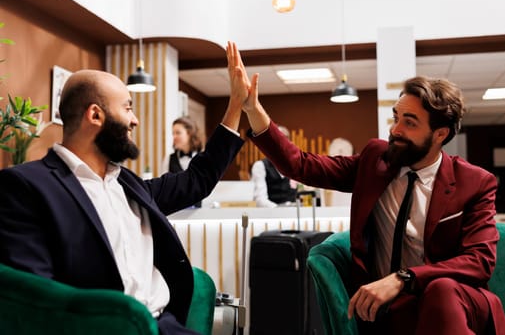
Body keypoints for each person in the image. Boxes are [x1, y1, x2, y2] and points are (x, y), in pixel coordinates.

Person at [226, 42, 505, 334]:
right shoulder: (377, 160)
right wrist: (253, 109)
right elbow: (302, 165)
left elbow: (479, 262)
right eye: (396, 117)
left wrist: (403, 278)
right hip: (393, 309)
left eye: (409, 123)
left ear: (440, 134)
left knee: (441, 291)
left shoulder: (475, 182)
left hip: (453, 305)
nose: (395, 129)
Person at [0, 66, 246, 335]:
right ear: (95, 115)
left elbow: (197, 180)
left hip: (166, 325)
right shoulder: (25, 185)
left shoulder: (128, 184)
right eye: (128, 108)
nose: (135, 120)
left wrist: (235, 106)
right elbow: (33, 296)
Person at [161, 116, 204, 207]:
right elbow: (164, 188)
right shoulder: (168, 158)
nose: (174, 137)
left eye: (178, 133)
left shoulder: (202, 158)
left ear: (190, 134)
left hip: (199, 212)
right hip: (175, 211)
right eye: (173, 133)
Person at [250, 125, 297, 207]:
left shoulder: (294, 165)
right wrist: (278, 210)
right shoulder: (260, 166)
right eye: (278, 140)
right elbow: (260, 199)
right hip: (269, 215)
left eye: (286, 139)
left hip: (293, 214)